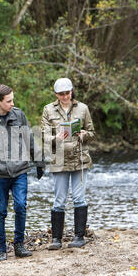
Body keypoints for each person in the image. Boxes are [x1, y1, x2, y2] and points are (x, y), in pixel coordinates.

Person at [0, 84, 45, 262]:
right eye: (9, 101)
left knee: (21, 206)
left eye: (13, 100)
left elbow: (29, 138)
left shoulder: (19, 115)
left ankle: (19, 245)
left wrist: (39, 161)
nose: (12, 104)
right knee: (0, 211)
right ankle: (0, 250)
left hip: (20, 169)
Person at [41, 77, 95, 250]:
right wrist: (55, 138)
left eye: (67, 93)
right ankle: (56, 239)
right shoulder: (48, 110)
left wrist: (84, 134)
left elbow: (92, 133)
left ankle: (79, 236)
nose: (65, 97)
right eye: (61, 94)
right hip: (59, 160)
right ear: (56, 94)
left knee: (79, 198)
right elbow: (43, 135)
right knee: (59, 200)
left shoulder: (83, 108)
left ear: (72, 91)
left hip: (80, 159)